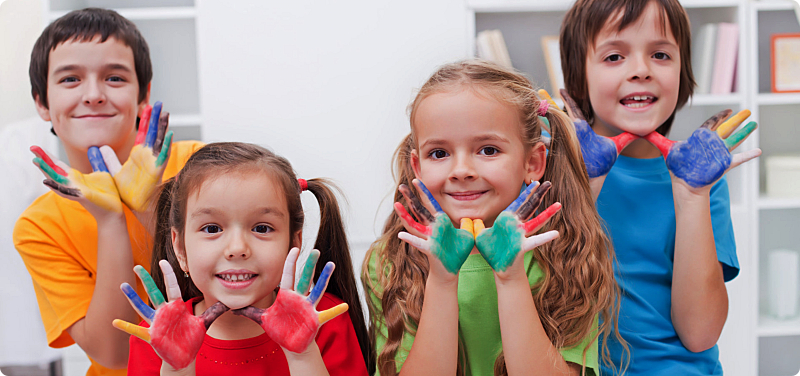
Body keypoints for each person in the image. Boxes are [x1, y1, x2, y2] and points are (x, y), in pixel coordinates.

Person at [362, 60, 621, 376]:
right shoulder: (392, 259)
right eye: (439, 154)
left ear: (532, 162)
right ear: (417, 167)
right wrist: (442, 280)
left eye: (487, 150)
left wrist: (510, 276)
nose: (461, 171)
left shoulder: (567, 253)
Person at [559, 0, 761, 374]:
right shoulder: (552, 168)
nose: (640, 70)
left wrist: (692, 195)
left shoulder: (701, 180)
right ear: (578, 76)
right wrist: (582, 184)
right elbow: (544, 300)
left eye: (661, 54)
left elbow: (700, 333)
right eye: (615, 56)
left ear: (682, 74)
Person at [13, 8, 203, 375]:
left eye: (114, 78)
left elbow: (230, 285)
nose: (94, 95)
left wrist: (151, 204)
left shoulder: (199, 165)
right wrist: (111, 220)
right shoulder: (39, 226)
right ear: (42, 102)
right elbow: (114, 354)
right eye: (70, 80)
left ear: (144, 93)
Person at [119, 142, 371, 375]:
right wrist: (177, 369)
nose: (237, 249)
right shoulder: (156, 336)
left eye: (262, 228)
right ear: (180, 249)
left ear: (293, 243)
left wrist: (303, 356)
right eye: (212, 229)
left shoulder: (323, 319)